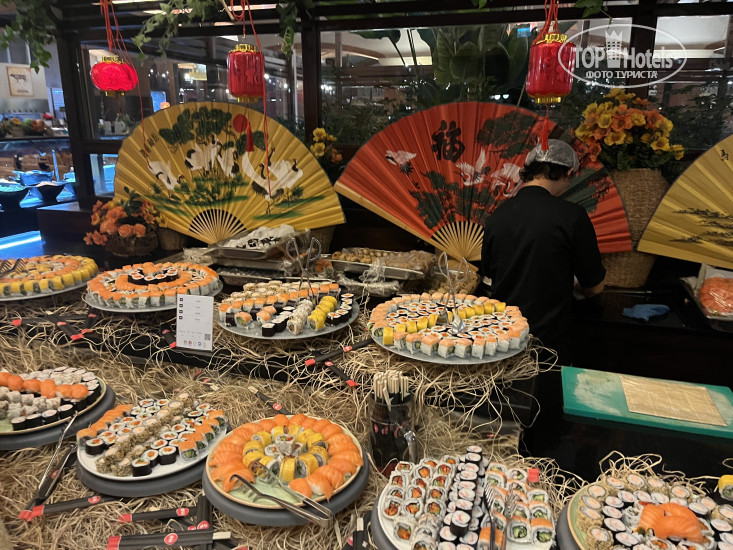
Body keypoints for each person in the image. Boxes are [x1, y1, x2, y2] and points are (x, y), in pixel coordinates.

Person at [480, 139, 606, 358]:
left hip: (502, 342)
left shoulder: (497, 215)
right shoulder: (572, 216)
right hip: (548, 344)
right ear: (568, 171)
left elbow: (490, 279)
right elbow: (595, 287)